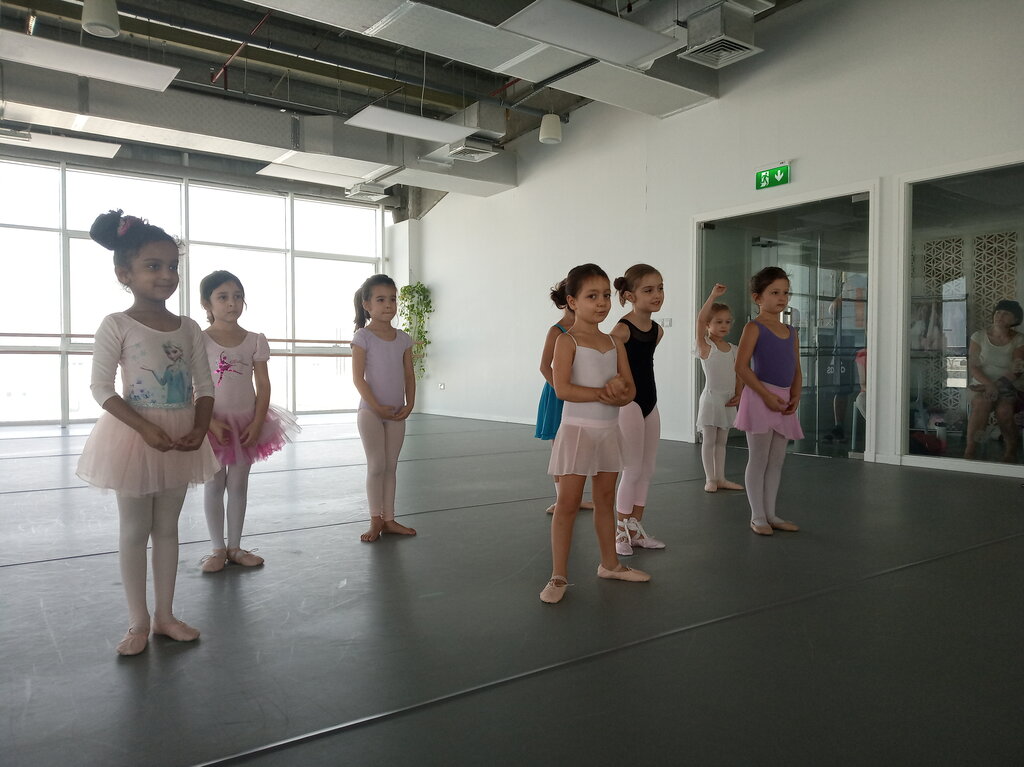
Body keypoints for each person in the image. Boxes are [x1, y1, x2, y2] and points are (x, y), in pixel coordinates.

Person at [76, 210, 219, 655]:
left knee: (168, 529)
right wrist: (143, 428)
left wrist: (200, 427)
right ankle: (138, 621)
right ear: (125, 274)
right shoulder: (117, 324)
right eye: (153, 266)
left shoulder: (189, 327)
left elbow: (204, 386)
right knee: (135, 530)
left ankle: (165, 616)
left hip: (180, 434)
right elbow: (101, 388)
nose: (166, 275)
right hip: (134, 435)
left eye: (172, 266)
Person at [540, 263, 650, 604]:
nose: (601, 303)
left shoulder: (614, 342)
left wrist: (620, 393)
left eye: (605, 296)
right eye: (592, 296)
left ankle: (610, 564)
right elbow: (562, 389)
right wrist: (604, 393)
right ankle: (558, 575)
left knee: (605, 500)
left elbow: (630, 389)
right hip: (578, 432)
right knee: (568, 504)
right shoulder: (566, 340)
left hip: (608, 432)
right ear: (573, 301)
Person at [198, 270, 300, 572]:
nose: (232, 303)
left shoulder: (254, 340)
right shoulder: (200, 340)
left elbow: (263, 385)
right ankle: (217, 548)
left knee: (239, 483)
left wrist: (257, 422)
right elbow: (195, 384)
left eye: (238, 296)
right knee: (214, 483)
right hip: (212, 422)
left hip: (246, 421)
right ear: (207, 303)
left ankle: (235, 546)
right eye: (223, 297)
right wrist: (209, 423)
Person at [734, 266, 803, 536]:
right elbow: (741, 367)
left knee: (777, 460)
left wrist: (796, 394)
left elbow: (796, 367)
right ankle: (757, 516)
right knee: (759, 458)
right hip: (760, 398)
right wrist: (765, 395)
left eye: (785, 292)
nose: (781, 298)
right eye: (774, 293)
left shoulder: (791, 331)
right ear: (758, 297)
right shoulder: (754, 327)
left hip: (783, 400)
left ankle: (771, 514)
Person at [352, 274, 418, 542]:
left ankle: (389, 519)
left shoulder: (403, 339)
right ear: (367, 305)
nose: (388, 305)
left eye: (392, 299)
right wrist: (377, 406)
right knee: (377, 464)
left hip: (396, 412)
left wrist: (410, 404)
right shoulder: (363, 336)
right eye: (381, 300)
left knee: (391, 466)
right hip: (370, 412)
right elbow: (358, 378)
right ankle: (375, 519)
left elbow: (409, 375)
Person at [610, 264, 666, 556]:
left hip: (650, 402)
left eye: (660, 288)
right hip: (628, 404)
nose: (657, 295)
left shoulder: (657, 331)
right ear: (630, 295)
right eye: (649, 290)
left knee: (648, 468)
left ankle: (635, 530)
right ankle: (620, 532)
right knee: (631, 468)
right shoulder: (621, 330)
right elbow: (608, 366)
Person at [535, 284, 594, 514]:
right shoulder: (556, 331)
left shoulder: (587, 328)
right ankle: (561, 500)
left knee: (580, 449)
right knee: (560, 449)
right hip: (559, 394)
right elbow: (544, 366)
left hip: (581, 393)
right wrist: (563, 389)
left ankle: (575, 499)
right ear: (570, 301)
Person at [695, 283, 744, 493]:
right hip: (711, 399)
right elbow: (699, 320)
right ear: (708, 324)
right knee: (709, 440)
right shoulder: (706, 346)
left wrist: (739, 394)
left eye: (727, 322)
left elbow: (739, 374)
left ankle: (721, 477)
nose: (724, 326)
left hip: (727, 400)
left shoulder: (734, 349)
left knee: (722, 442)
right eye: (718, 322)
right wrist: (713, 296)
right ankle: (710, 478)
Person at [964, 299, 1024, 462]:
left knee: (1004, 410)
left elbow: (1017, 370)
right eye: (998, 312)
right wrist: (988, 385)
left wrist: (994, 386)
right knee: (982, 403)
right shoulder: (978, 336)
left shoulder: (1019, 340)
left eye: (1005, 313)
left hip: (1008, 386)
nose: (999, 316)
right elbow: (973, 367)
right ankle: (970, 450)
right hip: (981, 385)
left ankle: (1011, 449)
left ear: (1015, 319)